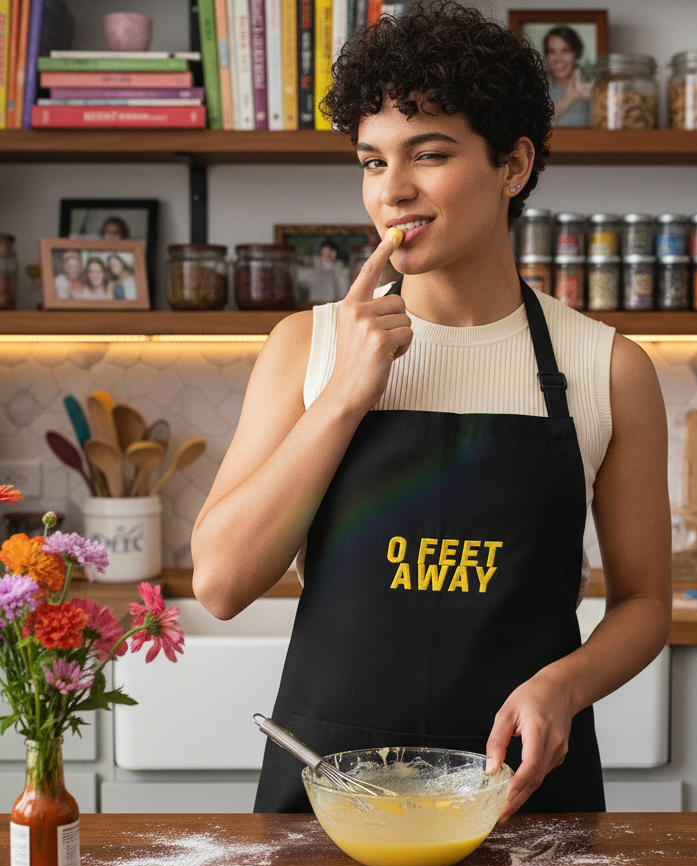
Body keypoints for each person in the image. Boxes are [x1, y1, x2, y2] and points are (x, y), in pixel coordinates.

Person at [191, 0, 671, 819]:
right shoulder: (302, 347)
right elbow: (222, 582)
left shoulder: (606, 366)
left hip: (524, 797)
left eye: (429, 154)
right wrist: (345, 392)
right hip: (331, 804)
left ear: (512, 166)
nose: (393, 190)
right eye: (372, 161)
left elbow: (645, 604)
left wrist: (564, 684)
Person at [543, 25, 592, 126]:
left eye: (565, 51)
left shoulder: (590, 85)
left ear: (576, 54)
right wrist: (571, 96)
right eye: (552, 52)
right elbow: (539, 122)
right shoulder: (539, 90)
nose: (558, 58)